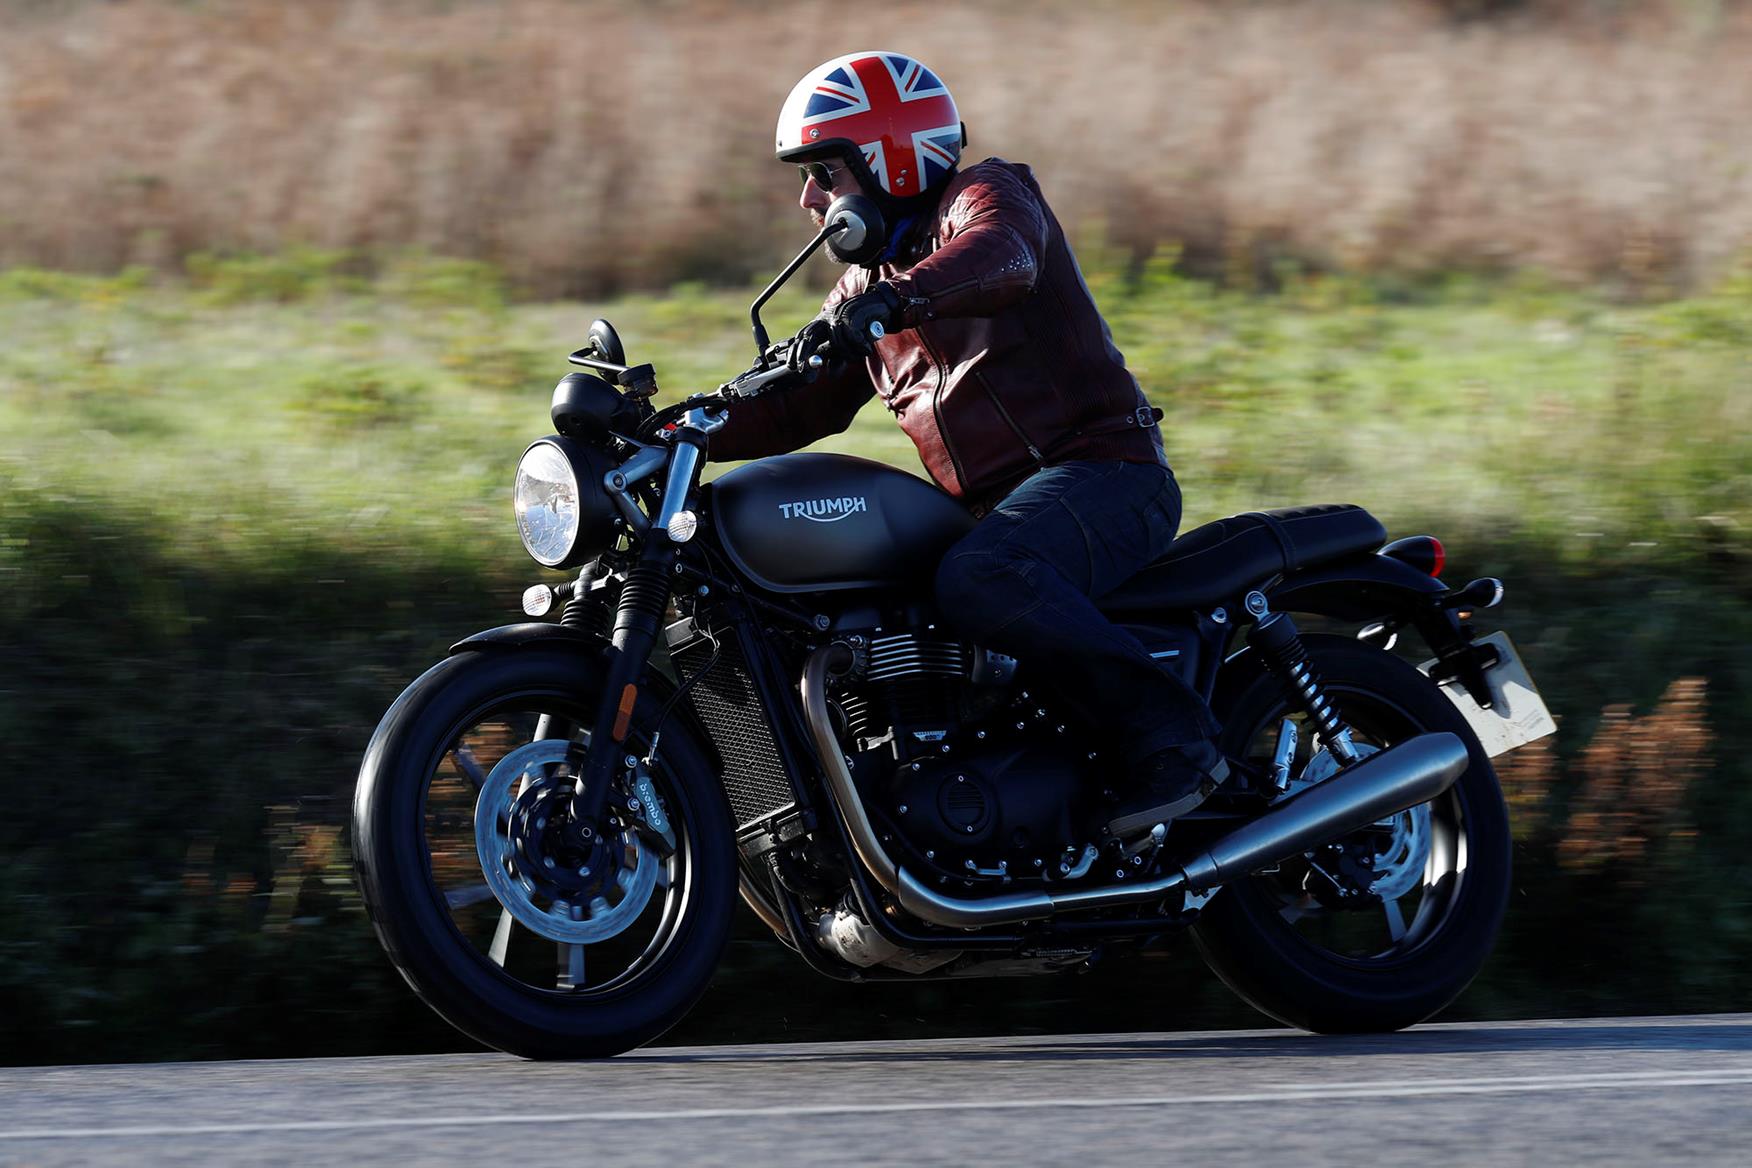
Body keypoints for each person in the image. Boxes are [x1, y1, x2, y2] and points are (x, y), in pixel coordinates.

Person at [708, 51, 1226, 839]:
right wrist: (672, 426)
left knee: (983, 575)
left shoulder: (986, 196)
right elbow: (792, 411)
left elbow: (1005, 256)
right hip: (999, 515)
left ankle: (1175, 736)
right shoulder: (862, 293)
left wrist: (892, 300)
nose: (809, 198)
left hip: (1104, 474)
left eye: (825, 172)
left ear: (891, 159)